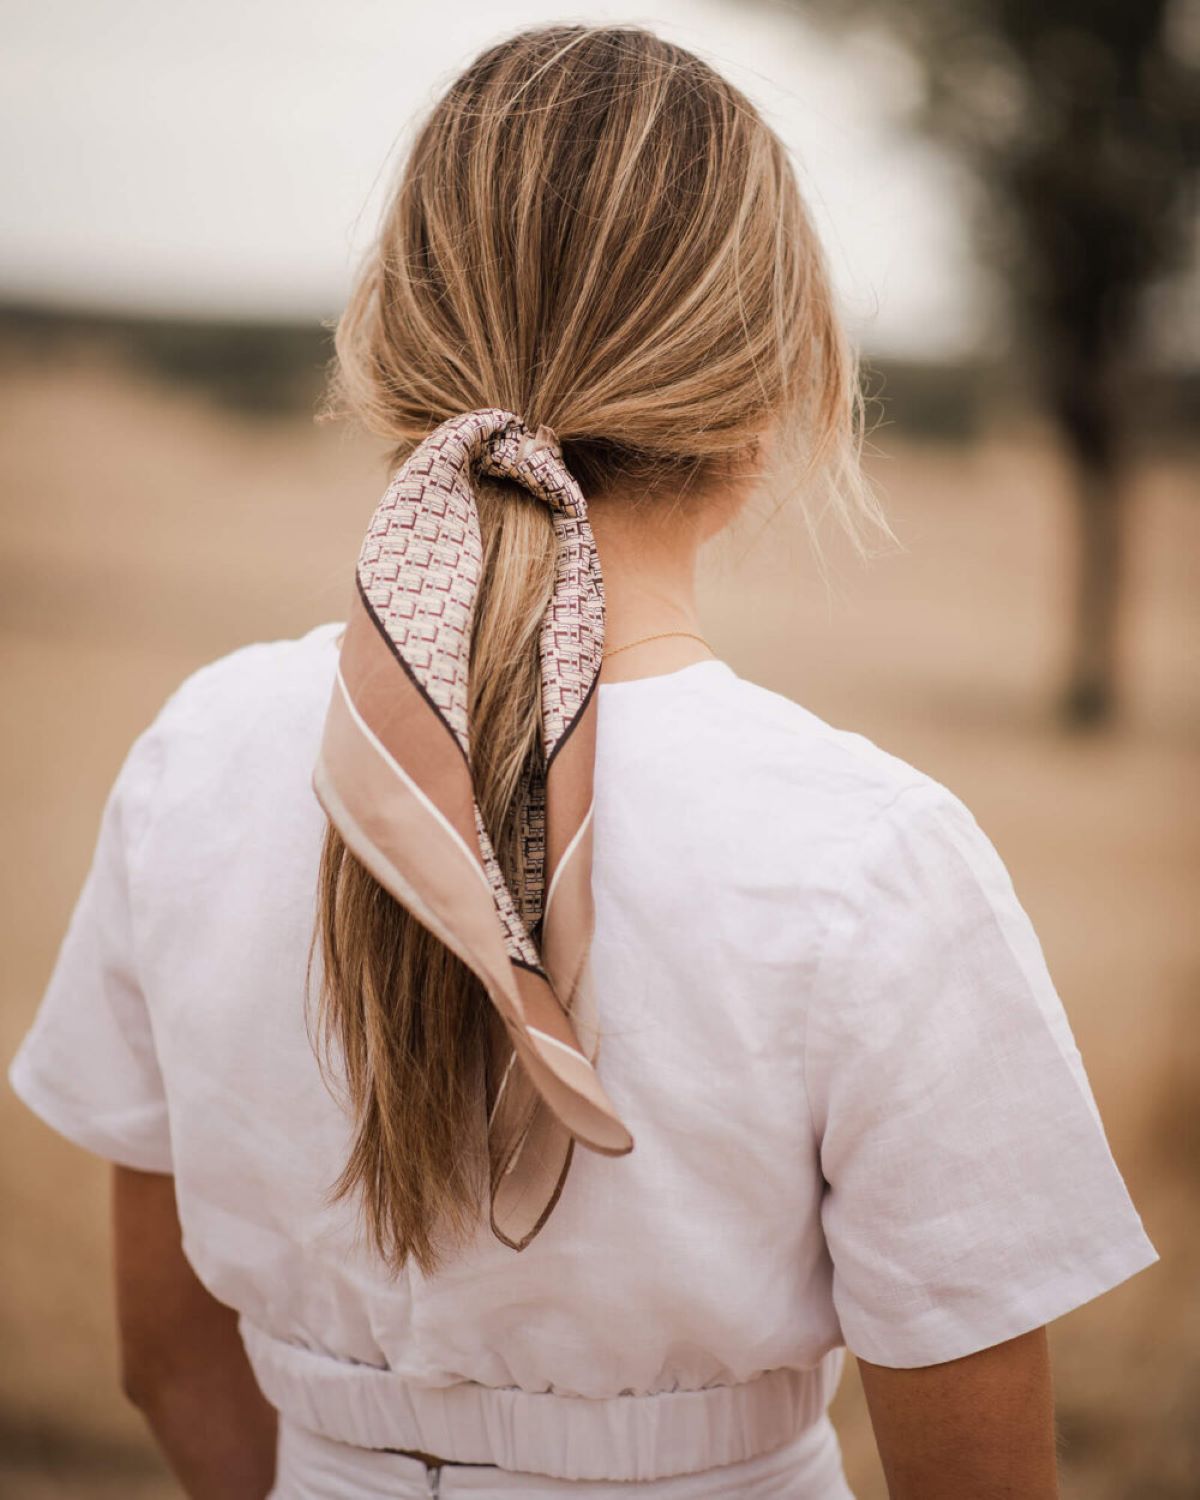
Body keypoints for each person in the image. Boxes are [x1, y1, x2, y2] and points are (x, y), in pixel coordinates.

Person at [8, 23, 1158, 1500]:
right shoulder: (872, 859)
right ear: (771, 394)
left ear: (392, 345)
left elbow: (163, 1359)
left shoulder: (197, 758)